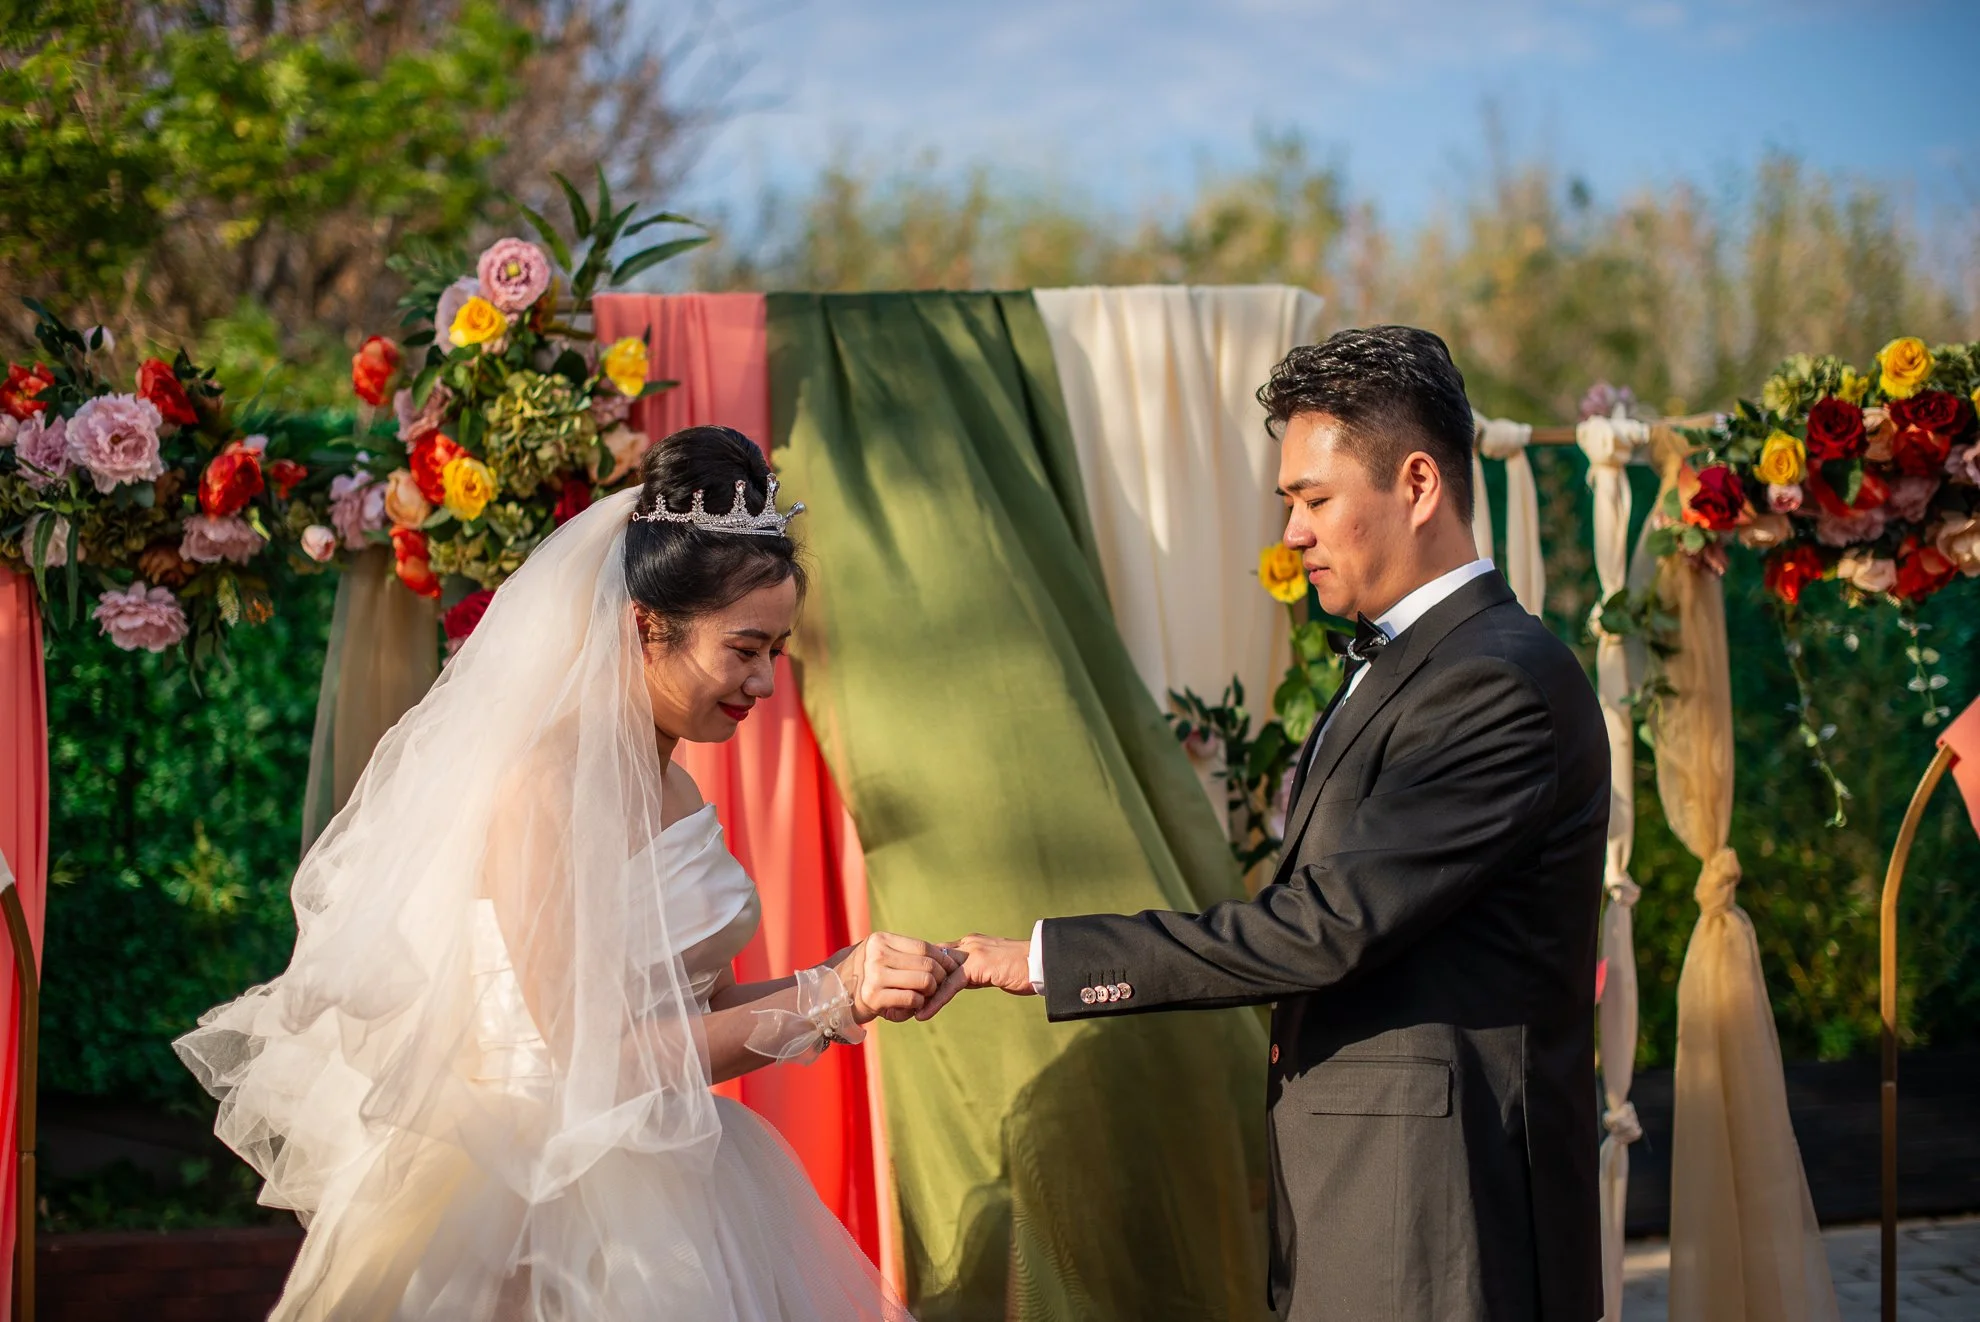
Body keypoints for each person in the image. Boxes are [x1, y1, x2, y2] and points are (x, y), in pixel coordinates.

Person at [178, 426, 944, 1320]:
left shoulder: (678, 791)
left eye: (775, 651)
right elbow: (594, 1062)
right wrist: (826, 1000)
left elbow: (695, 1016)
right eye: (744, 650)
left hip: (678, 1174)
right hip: (536, 1205)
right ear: (647, 625)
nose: (766, 684)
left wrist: (853, 980)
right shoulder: (541, 788)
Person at [931, 327, 1609, 1322]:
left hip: (1440, 1218)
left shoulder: (1497, 683)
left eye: (1314, 500)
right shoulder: (1416, 661)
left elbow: (1326, 925)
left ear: (1419, 484)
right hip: (1369, 1199)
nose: (1292, 532)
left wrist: (1044, 958)